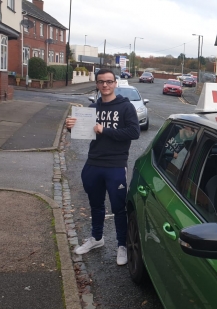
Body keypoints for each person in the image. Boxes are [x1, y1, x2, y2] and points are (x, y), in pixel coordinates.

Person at [65, 68, 140, 265]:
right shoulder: (92, 109)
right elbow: (81, 134)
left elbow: (134, 132)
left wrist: (104, 130)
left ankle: (122, 245)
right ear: (97, 85)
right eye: (101, 82)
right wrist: (70, 127)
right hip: (93, 163)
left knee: (118, 208)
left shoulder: (126, 107)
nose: (105, 85)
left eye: (108, 81)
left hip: (115, 165)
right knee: (96, 205)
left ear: (115, 83)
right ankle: (97, 238)